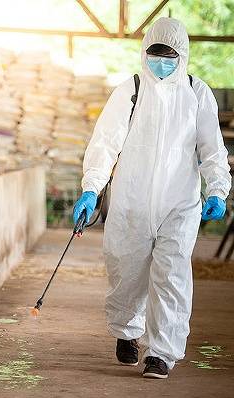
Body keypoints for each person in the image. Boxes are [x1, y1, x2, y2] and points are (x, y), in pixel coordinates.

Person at [73, 17, 231, 379]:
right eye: (155, 54)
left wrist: (218, 188)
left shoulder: (196, 92)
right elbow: (105, 143)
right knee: (126, 269)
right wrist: (91, 187)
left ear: (183, 55)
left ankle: (162, 352)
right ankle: (128, 332)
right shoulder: (130, 90)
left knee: (172, 275)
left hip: (180, 203)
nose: (162, 61)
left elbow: (211, 147)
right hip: (132, 199)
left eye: (169, 55)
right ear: (145, 53)